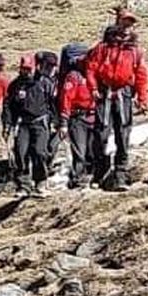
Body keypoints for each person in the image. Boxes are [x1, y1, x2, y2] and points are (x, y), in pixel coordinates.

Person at [86, 23, 148, 189]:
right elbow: (91, 68)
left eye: (129, 26)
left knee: (123, 135)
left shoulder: (135, 51)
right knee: (101, 134)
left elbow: (141, 75)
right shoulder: (102, 48)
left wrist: (142, 99)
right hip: (104, 94)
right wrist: (93, 87)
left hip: (124, 94)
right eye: (124, 25)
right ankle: (100, 171)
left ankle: (120, 174)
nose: (126, 30)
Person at [3, 54, 57, 196]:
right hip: (23, 124)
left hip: (41, 122)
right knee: (20, 153)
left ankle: (41, 182)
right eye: (23, 69)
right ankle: (23, 185)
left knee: (40, 152)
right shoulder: (15, 85)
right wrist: (8, 124)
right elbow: (9, 105)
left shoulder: (45, 83)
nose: (26, 72)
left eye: (28, 69)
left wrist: (57, 122)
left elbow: (53, 103)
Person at [57, 44, 97, 189]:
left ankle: (92, 176)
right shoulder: (73, 77)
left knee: (93, 149)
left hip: (93, 116)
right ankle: (77, 179)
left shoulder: (93, 75)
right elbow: (66, 99)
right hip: (77, 118)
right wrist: (64, 122)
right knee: (80, 150)